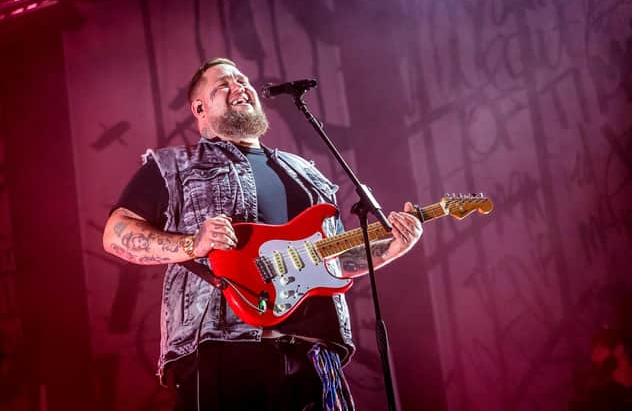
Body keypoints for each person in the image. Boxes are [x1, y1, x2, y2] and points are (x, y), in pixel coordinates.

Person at [102, 57, 423, 410]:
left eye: (243, 80)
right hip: (224, 353)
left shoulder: (306, 172)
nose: (239, 86)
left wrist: (390, 248)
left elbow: (333, 263)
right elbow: (117, 234)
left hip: (314, 355)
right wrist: (193, 243)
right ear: (199, 107)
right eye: (223, 84)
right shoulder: (174, 164)